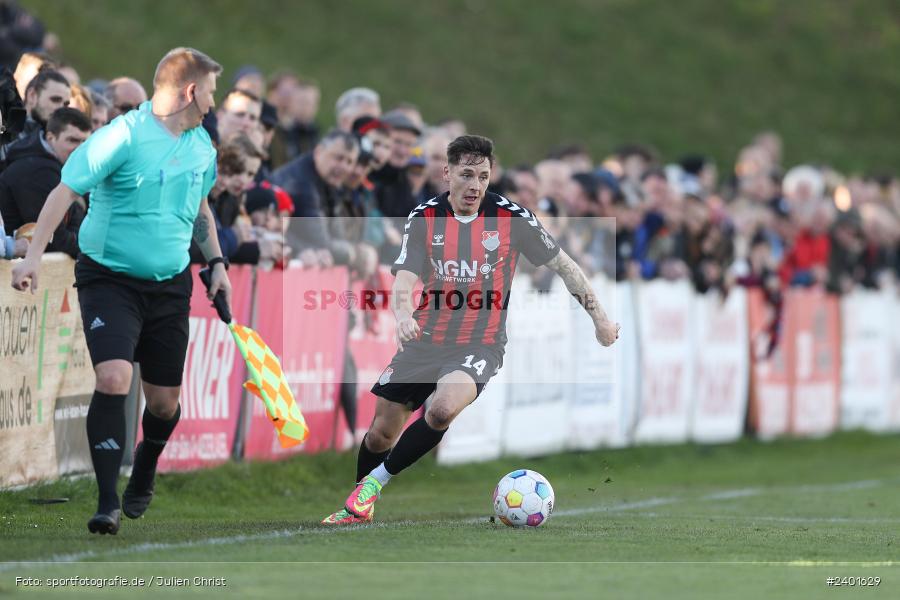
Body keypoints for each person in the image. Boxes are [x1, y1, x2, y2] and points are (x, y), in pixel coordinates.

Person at [322, 135, 620, 524]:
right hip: (425, 338)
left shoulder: (512, 218)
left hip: (480, 343)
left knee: (442, 410)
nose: (475, 185)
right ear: (446, 174)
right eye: (466, 175)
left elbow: (565, 266)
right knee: (381, 434)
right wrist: (403, 317)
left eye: (483, 176)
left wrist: (599, 318)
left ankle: (372, 486)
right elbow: (403, 280)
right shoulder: (425, 217)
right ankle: (360, 505)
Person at [10, 47, 230, 536]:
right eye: (212, 92)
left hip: (170, 284)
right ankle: (107, 502)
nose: (215, 102)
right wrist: (30, 256)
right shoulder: (122, 136)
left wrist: (216, 263)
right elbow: (64, 191)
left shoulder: (201, 145)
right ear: (190, 91)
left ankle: (147, 463)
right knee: (113, 378)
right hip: (108, 278)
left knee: (164, 405)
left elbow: (200, 209)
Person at [0, 107, 91, 257]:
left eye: (85, 142)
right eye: (72, 140)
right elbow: (53, 240)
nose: (80, 149)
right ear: (50, 138)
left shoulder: (60, 167)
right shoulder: (35, 171)